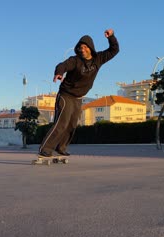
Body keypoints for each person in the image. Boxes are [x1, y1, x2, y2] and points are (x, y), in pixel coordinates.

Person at [38, 29, 119, 157]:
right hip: (66, 95)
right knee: (62, 122)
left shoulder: (98, 58)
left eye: (85, 47)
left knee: (72, 124)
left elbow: (114, 50)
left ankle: (61, 147)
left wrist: (111, 37)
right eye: (80, 47)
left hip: (78, 97)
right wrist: (59, 73)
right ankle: (46, 148)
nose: (83, 50)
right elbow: (63, 65)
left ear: (90, 48)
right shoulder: (75, 60)